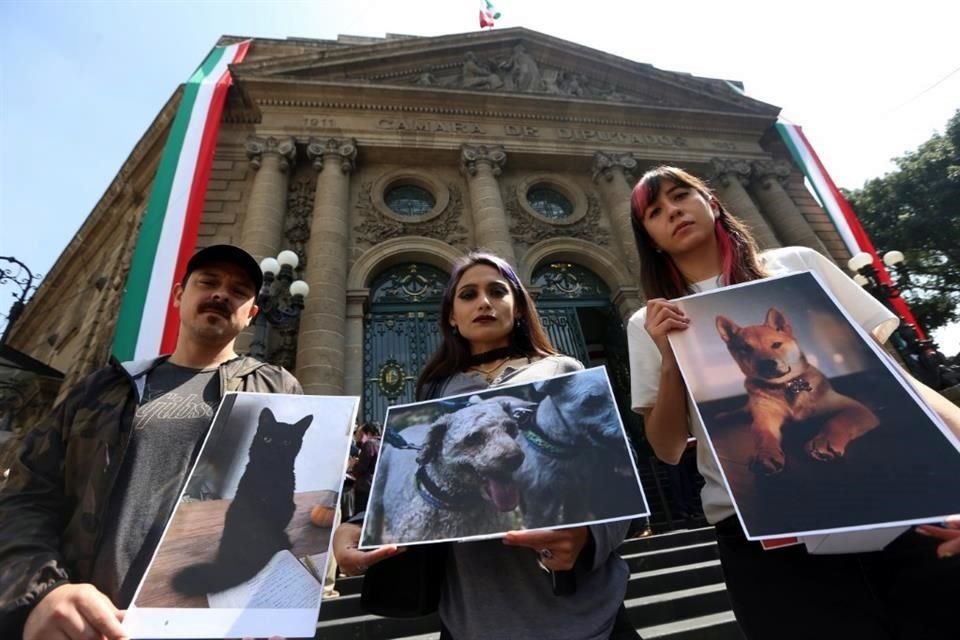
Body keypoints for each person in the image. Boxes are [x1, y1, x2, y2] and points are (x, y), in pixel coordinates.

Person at [626, 166, 960, 639]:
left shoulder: (798, 263)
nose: (672, 212)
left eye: (681, 196)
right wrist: (668, 359)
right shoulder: (648, 320)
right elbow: (667, 448)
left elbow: (897, 380)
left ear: (712, 202)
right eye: (654, 212)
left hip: (886, 499)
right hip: (765, 533)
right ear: (650, 238)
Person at [0, 244, 302, 639]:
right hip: (92, 624)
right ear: (179, 294)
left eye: (239, 291)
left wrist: (333, 544)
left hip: (218, 624)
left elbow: (285, 507)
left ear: (252, 315)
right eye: (208, 282)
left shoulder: (276, 388)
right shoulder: (102, 389)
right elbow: (26, 495)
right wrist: (43, 591)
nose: (221, 295)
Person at [333, 251, 639, 639]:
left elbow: (615, 476)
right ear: (450, 316)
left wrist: (590, 538)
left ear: (519, 307)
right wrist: (358, 526)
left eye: (497, 291)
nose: (484, 302)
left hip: (578, 610)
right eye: (468, 294)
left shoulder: (563, 371)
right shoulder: (435, 389)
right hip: (473, 613)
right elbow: (417, 480)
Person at [351, 422, 381, 515]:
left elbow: (362, 467)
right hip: (377, 485)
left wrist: (353, 465)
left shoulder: (369, 444)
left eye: (361, 433)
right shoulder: (381, 443)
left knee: (361, 515)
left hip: (365, 486)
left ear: (367, 433)